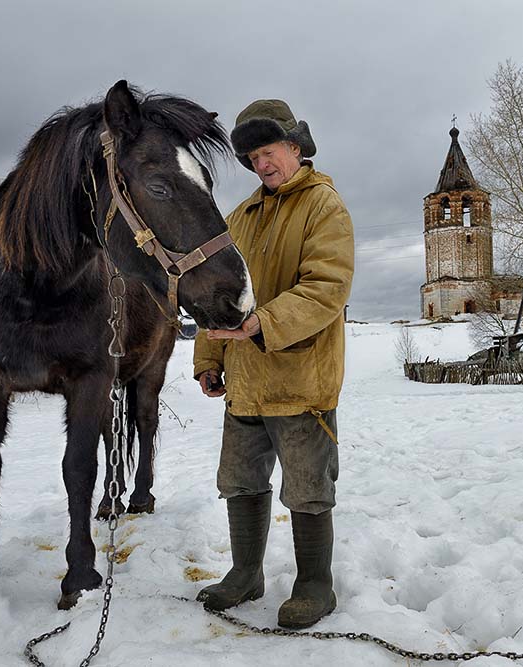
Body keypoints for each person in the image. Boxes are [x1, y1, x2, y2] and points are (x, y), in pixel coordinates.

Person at [193, 99, 354, 629]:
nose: (261, 164)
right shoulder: (238, 217)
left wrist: (262, 323)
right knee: (239, 480)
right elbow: (215, 295)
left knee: (308, 486)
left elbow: (326, 289)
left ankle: (315, 584)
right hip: (245, 384)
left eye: (269, 151)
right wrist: (209, 357)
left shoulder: (323, 206)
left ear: (295, 147)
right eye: (252, 156)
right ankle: (245, 573)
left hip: (301, 382)